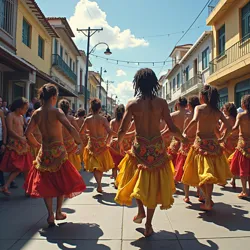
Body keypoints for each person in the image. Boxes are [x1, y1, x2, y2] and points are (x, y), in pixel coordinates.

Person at [114, 68, 186, 237]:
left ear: (137, 84)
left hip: (140, 148)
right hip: (157, 149)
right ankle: (148, 225)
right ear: (154, 83)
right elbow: (171, 127)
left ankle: (140, 210)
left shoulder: (132, 104)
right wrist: (182, 138)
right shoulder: (161, 103)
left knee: (136, 181)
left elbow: (123, 128)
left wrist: (119, 143)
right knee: (153, 186)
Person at [24, 83, 86, 226]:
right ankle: (58, 211)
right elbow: (70, 128)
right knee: (61, 181)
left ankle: (50, 215)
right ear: (53, 97)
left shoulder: (37, 113)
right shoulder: (57, 111)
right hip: (58, 151)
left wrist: (37, 144)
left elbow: (28, 133)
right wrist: (79, 143)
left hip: (44, 152)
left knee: (46, 183)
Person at [181, 85, 232, 211]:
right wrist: (223, 138)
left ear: (203, 96)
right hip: (213, 144)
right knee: (210, 175)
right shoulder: (217, 112)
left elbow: (194, 120)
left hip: (201, 145)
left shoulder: (199, 108)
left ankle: (208, 201)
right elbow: (229, 127)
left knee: (200, 173)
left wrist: (185, 131)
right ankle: (208, 199)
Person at [80, 98, 114, 193]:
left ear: (91, 108)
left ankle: (98, 184)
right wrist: (107, 142)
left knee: (95, 167)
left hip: (92, 145)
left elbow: (81, 132)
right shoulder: (103, 119)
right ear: (99, 108)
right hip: (102, 145)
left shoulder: (87, 119)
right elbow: (110, 133)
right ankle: (99, 184)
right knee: (100, 166)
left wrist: (89, 133)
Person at [0, 98, 33, 196]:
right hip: (15, 145)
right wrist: (20, 138)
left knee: (27, 167)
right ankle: (6, 185)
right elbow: (10, 130)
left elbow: (24, 128)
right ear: (19, 108)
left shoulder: (21, 116)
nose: (26, 110)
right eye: (25, 108)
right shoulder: (10, 115)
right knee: (19, 167)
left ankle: (27, 189)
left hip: (23, 145)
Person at [174, 96, 202, 202]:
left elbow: (185, 132)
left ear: (189, 105)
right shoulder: (201, 115)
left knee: (185, 170)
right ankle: (200, 192)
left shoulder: (189, 117)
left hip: (186, 147)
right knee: (198, 170)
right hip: (197, 146)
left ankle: (186, 196)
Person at [230, 95, 250, 198]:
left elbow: (235, 127)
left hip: (242, 145)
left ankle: (244, 191)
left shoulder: (240, 116)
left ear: (244, 104)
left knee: (243, 169)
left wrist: (227, 133)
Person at [109, 104, 135, 180]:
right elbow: (128, 134)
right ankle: (120, 179)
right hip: (125, 144)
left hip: (114, 143)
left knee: (114, 162)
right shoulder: (127, 122)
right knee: (123, 162)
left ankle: (115, 178)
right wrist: (134, 132)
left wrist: (114, 138)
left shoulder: (112, 122)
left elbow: (111, 132)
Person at [58, 99, 82, 172]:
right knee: (72, 169)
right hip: (71, 145)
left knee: (61, 169)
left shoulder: (57, 118)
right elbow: (77, 130)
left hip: (60, 144)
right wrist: (80, 143)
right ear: (68, 108)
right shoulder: (71, 118)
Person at [219, 102, 238, 188]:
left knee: (224, 162)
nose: (223, 110)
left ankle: (223, 181)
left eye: (224, 109)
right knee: (233, 161)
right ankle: (232, 180)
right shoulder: (236, 118)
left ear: (227, 110)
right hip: (236, 141)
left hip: (227, 141)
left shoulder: (226, 119)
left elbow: (220, 130)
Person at [167, 97, 188, 166]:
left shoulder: (173, 115)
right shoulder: (190, 114)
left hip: (175, 143)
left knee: (174, 165)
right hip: (188, 142)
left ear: (177, 104)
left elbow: (168, 130)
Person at [0, 108, 7, 186]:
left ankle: (3, 183)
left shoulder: (1, 112)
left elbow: (4, 127)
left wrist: (4, 143)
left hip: (0, 140)